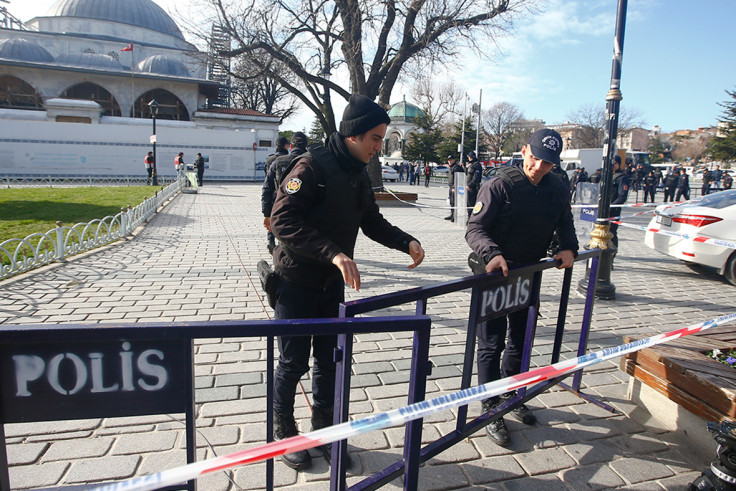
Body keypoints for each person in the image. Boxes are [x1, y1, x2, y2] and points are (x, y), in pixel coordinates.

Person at [269, 94, 425, 470]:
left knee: (330, 360)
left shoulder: (357, 171)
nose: (378, 146)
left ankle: (324, 430)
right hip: (296, 280)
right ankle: (284, 432)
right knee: (292, 363)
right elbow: (282, 220)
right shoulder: (311, 166)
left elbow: (370, 221)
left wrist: (406, 241)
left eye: (381, 138)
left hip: (330, 286)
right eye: (374, 138)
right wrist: (334, 253)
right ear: (353, 135)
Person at [466, 128, 578, 447]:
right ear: (526, 150)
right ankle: (490, 407)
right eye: (537, 159)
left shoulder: (556, 187)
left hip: (529, 272)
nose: (540, 167)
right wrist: (492, 253)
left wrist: (569, 245)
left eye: (548, 164)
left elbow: (564, 220)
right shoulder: (500, 184)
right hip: (496, 274)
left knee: (520, 338)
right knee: (491, 343)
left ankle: (512, 394)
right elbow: (475, 229)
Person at [261, 132, 309, 254]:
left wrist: (267, 214)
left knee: (284, 247)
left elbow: (267, 189)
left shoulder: (277, 162)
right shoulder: (313, 162)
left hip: (280, 208)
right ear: (306, 146)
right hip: (306, 211)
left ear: (291, 147)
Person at [609, 155, 630, 249]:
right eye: (612, 163)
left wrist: (611, 207)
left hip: (613, 210)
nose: (613, 165)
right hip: (602, 209)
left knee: (611, 232)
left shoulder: (621, 178)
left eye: (616, 163)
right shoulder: (607, 175)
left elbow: (622, 196)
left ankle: (611, 254)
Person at [465, 151, 483, 222]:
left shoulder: (477, 165)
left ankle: (472, 219)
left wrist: (470, 185)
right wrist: (466, 168)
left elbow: (476, 178)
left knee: (472, 203)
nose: (469, 158)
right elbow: (467, 175)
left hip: (473, 188)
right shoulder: (471, 164)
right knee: (468, 203)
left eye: (470, 157)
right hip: (468, 187)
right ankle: (469, 217)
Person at [444, 155, 460, 222]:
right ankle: (452, 214)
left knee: (455, 202)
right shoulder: (451, 167)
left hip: (454, 188)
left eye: (451, 160)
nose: (449, 161)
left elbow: (457, 178)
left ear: (454, 160)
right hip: (451, 187)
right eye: (448, 160)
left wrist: (454, 187)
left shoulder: (457, 167)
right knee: (451, 201)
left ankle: (455, 215)